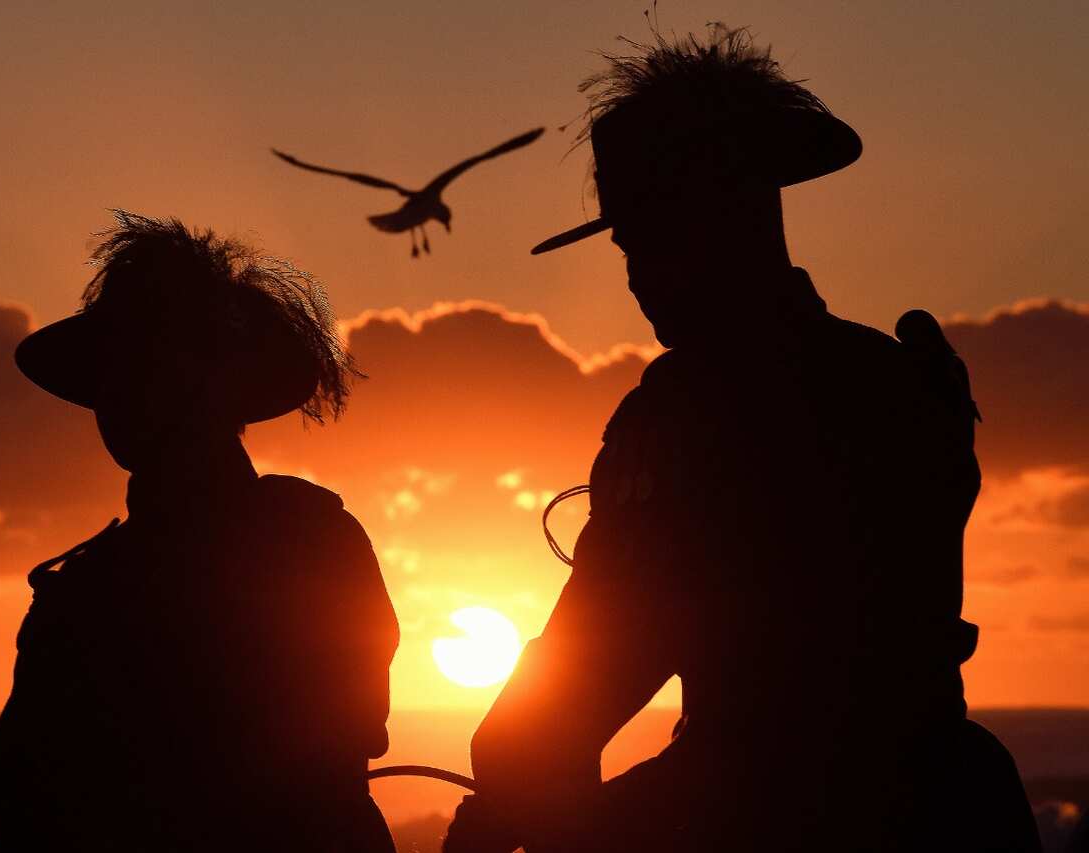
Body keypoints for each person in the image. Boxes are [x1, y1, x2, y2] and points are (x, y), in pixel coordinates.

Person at [444, 25, 1040, 853]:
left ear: (728, 217)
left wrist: (512, 777)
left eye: (652, 238)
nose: (637, 274)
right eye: (628, 244)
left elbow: (579, 682)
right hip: (956, 808)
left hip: (761, 812)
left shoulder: (681, 415)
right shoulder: (902, 376)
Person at [0, 212, 399, 852]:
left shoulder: (98, 587)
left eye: (147, 371)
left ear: (213, 383)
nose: (117, 399)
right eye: (111, 377)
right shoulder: (317, 537)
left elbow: (19, 788)